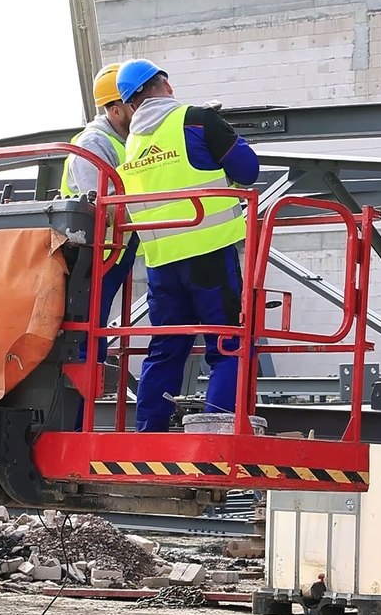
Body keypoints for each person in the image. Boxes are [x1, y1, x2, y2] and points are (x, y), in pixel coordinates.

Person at [114, 58, 260, 432]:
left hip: (162, 264)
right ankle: (218, 430)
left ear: (131, 104)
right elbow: (248, 171)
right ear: (165, 84)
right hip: (209, 253)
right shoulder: (196, 119)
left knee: (165, 349)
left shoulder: (133, 141)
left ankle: (149, 432)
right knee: (228, 344)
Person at [61, 62, 141, 365]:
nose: (141, 110)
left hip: (112, 252)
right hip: (94, 255)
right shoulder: (94, 143)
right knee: (86, 337)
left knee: (94, 332)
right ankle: (78, 410)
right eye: (133, 104)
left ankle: (82, 405)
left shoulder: (127, 142)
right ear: (115, 110)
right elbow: (104, 206)